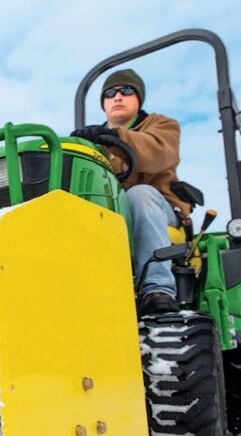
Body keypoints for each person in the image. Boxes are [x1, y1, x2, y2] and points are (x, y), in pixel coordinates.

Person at [71, 68, 185, 316]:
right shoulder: (88, 142)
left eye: (126, 91)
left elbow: (158, 151)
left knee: (139, 194)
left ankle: (157, 289)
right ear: (104, 103)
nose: (118, 97)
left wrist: (114, 138)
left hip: (157, 207)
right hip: (109, 211)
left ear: (138, 98)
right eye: (110, 93)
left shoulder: (162, 125)